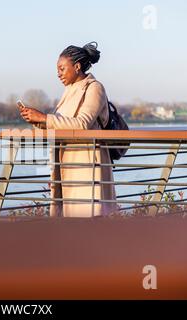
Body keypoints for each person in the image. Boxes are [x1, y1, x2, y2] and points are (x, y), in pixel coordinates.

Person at [19, 42, 116, 217]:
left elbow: (82, 124)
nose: (58, 74)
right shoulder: (69, 91)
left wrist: (44, 118)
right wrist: (36, 120)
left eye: (62, 69)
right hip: (67, 162)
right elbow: (61, 124)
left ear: (77, 67)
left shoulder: (94, 87)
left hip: (88, 162)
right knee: (71, 219)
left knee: (90, 216)